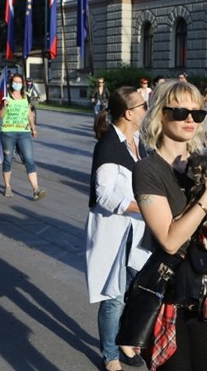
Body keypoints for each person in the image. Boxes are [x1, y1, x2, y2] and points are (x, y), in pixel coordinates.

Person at [132, 80, 207, 370]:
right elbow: (169, 240)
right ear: (160, 115)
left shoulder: (201, 161)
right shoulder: (148, 169)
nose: (190, 119)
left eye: (198, 113)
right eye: (180, 112)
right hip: (169, 291)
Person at [85, 87, 151, 371]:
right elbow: (104, 195)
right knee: (113, 296)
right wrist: (144, 206)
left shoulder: (138, 140)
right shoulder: (109, 145)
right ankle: (111, 355)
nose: (146, 110)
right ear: (129, 112)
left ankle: (126, 340)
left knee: (137, 290)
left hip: (138, 231)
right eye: (143, 106)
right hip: (116, 231)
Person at [0, 74, 47, 201]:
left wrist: (33, 128)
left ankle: (36, 189)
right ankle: (7, 186)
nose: (17, 84)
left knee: (29, 160)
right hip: (8, 132)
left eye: (19, 82)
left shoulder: (26, 97)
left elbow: (30, 114)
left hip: (24, 133)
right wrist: (4, 106)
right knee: (8, 159)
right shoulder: (5, 97)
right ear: (10, 83)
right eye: (15, 82)